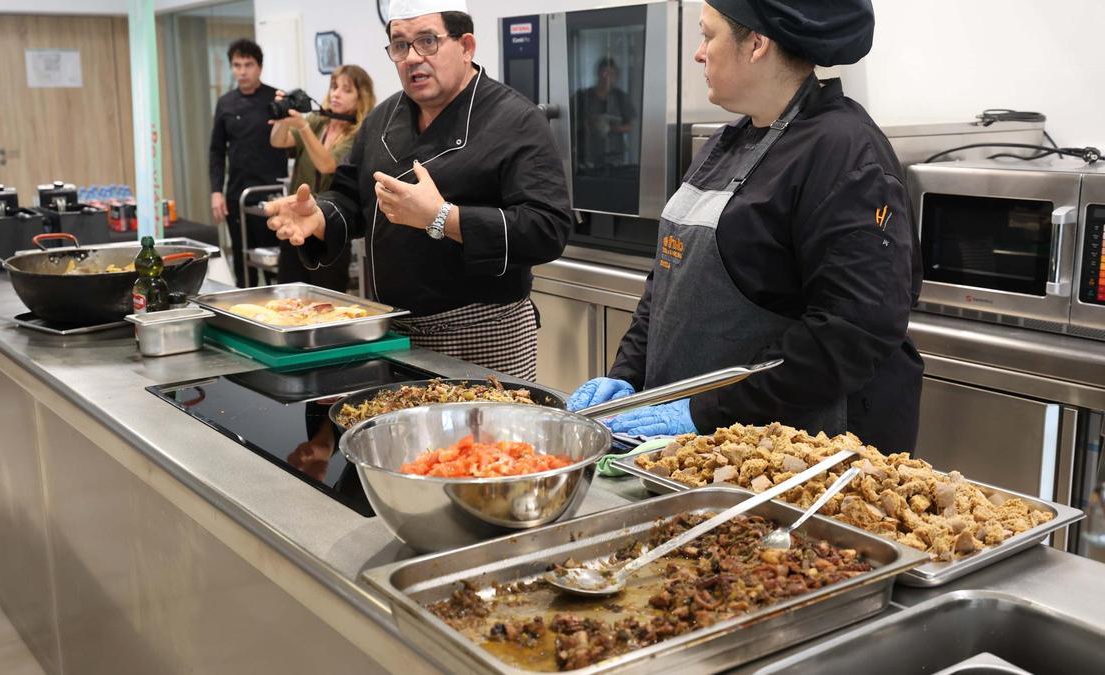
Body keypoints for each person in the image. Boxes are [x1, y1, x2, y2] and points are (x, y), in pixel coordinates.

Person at [567, 0, 924, 454]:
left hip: (791, 456)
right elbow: (669, 278)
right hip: (702, 443)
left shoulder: (846, 154)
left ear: (756, 44)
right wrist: (628, 373)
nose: (699, 53)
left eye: (707, 35)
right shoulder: (725, 143)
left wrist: (705, 410)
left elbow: (851, 332)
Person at [263, 0, 571, 380]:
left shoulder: (516, 120)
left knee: (487, 441)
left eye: (428, 41)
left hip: (484, 335)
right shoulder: (381, 119)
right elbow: (350, 198)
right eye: (400, 45)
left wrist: (445, 218)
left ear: (466, 45)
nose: (411, 58)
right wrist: (321, 216)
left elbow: (548, 228)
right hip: (394, 333)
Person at [268, 65, 376, 290]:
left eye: (346, 90)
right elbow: (278, 142)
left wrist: (302, 126)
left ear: (361, 97)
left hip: (328, 225)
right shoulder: (319, 121)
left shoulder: (359, 133)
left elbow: (327, 165)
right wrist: (282, 121)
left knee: (327, 299)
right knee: (288, 293)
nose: (336, 93)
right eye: (334, 87)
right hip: (295, 219)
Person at [209, 38, 286, 286]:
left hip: (272, 195)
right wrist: (216, 192)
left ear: (259, 67)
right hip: (238, 194)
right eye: (237, 65)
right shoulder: (226, 103)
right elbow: (216, 151)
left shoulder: (275, 99)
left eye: (248, 65)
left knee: (275, 265)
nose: (242, 71)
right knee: (244, 266)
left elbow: (292, 142)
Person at [574, 57, 636, 170]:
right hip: (588, 156)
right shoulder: (583, 96)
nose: (606, 77)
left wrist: (610, 128)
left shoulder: (620, 97)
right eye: (604, 72)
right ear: (598, 73)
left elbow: (631, 126)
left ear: (616, 77)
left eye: (611, 73)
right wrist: (589, 124)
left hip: (615, 157)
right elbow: (570, 123)